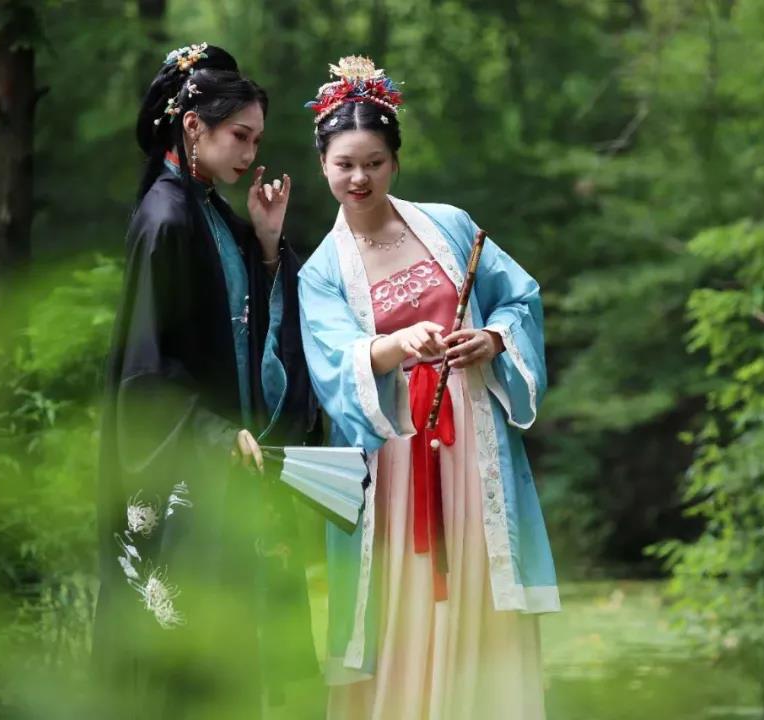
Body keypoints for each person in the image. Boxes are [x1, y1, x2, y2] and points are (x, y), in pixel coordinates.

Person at [298, 56, 559, 720]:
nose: (359, 178)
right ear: (323, 165)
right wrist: (397, 345)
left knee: (478, 578)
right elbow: (333, 362)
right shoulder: (321, 272)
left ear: (395, 162)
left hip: (473, 440)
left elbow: (519, 299)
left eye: (375, 162)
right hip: (392, 455)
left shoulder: (450, 226)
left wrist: (492, 339)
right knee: (402, 595)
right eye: (345, 164)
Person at [93, 43, 319, 718]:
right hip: (187, 465)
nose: (251, 152)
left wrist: (268, 244)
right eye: (239, 136)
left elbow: (246, 329)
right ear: (193, 126)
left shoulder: (211, 212)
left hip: (225, 460)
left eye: (257, 140)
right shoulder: (168, 218)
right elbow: (146, 369)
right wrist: (214, 432)